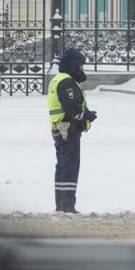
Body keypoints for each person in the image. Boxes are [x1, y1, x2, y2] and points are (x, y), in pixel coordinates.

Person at [47, 48, 97, 214]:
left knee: (63, 166)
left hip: (60, 126)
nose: (82, 69)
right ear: (74, 65)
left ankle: (61, 205)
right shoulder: (67, 82)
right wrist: (87, 115)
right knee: (70, 166)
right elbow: (71, 108)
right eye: (81, 65)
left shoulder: (57, 79)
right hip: (68, 127)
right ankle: (67, 206)